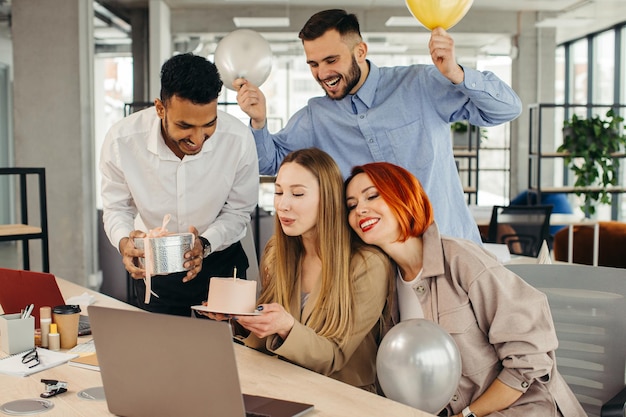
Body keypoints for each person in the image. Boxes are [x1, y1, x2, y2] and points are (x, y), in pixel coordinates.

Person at [234, 8, 522, 244]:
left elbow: (506, 109)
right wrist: (259, 122)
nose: (322, 73)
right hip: (376, 265)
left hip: (448, 248)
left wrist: (454, 73)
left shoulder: (418, 85)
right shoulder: (315, 116)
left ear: (360, 51)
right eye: (313, 64)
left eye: (331, 60)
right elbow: (268, 162)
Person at [344, 162, 586, 417]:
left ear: (404, 197)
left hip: (523, 409)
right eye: (351, 205)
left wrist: (468, 414)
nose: (360, 209)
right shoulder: (384, 282)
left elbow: (530, 358)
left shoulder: (460, 259)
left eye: (372, 195)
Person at [202, 148, 394, 393]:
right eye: (279, 192)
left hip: (343, 398)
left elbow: (335, 356)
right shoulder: (276, 253)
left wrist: (286, 326)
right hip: (283, 386)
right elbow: (265, 340)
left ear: (329, 198)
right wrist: (236, 319)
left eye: (298, 194)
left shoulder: (368, 265)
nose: (283, 204)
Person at [100, 53, 259, 317]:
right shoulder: (122, 140)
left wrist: (205, 244)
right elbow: (116, 208)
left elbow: (239, 212)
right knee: (164, 353)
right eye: (185, 126)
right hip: (156, 267)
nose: (198, 138)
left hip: (221, 261)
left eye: (209, 124)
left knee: (232, 355)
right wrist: (124, 241)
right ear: (160, 108)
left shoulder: (238, 139)